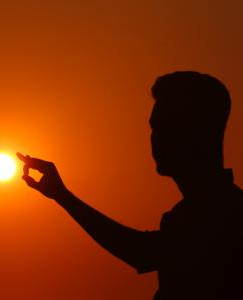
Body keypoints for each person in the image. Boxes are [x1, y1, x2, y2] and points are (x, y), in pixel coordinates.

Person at [17, 71, 243, 300]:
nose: (155, 138)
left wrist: (63, 196)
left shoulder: (223, 216)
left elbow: (142, 252)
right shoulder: (192, 214)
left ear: (196, 133)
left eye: (165, 126)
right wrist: (61, 195)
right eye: (153, 128)